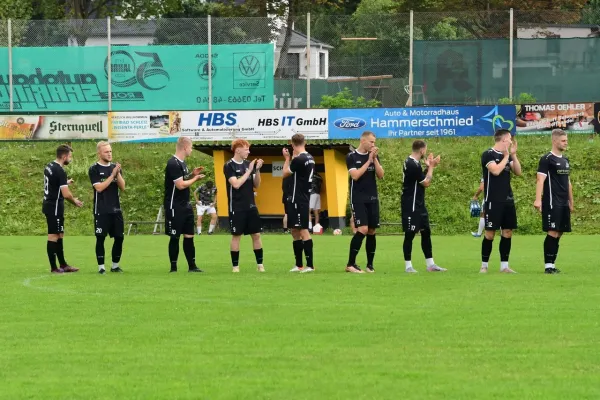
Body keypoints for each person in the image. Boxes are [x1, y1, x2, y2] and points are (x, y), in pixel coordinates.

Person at [480, 129, 522, 274]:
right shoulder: (488, 154)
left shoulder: (507, 156)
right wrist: (506, 156)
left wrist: (513, 155)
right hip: (493, 200)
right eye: (510, 138)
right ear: (503, 140)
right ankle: (484, 265)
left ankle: (504, 266)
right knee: (490, 233)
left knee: (507, 232)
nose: (511, 141)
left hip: (507, 200)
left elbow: (518, 172)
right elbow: (496, 171)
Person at [401, 140, 445, 273]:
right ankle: (408, 266)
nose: (425, 152)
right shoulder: (411, 164)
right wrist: (431, 166)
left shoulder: (415, 163)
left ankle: (430, 264)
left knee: (426, 232)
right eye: (425, 149)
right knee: (410, 234)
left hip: (419, 204)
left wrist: (427, 167)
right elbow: (426, 183)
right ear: (421, 150)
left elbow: (420, 179)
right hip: (411, 204)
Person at [164, 137, 205, 273]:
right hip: (174, 206)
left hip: (185, 205)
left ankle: (192, 266)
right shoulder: (173, 163)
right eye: (191, 147)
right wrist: (195, 178)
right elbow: (180, 185)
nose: (191, 150)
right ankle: (173, 268)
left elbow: (183, 179)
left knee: (189, 236)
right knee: (175, 236)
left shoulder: (183, 163)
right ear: (185, 147)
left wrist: (192, 174)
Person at [345, 131, 384, 273]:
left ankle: (370, 265)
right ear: (363, 141)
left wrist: (374, 159)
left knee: (372, 230)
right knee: (363, 229)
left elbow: (381, 175)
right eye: (371, 142)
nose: (373, 145)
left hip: (372, 198)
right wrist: (368, 161)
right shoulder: (351, 156)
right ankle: (350, 264)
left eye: (374, 142)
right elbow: (355, 176)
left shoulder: (374, 156)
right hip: (358, 198)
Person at [534, 129, 573, 274]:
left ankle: (553, 264)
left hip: (563, 203)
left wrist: (571, 201)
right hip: (552, 202)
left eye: (566, 140)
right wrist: (538, 200)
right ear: (554, 141)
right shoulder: (547, 159)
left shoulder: (565, 160)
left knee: (560, 232)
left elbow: (568, 183)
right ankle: (548, 266)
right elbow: (540, 180)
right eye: (563, 141)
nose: (566, 143)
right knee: (552, 231)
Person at [224, 139, 265, 272]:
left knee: (256, 235)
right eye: (246, 149)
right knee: (237, 236)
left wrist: (257, 170)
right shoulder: (229, 165)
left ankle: (260, 265)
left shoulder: (248, 164)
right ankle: (235, 267)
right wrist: (249, 171)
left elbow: (257, 185)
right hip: (236, 207)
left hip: (251, 206)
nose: (249, 152)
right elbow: (236, 184)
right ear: (237, 150)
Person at [42, 144, 83, 273]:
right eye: (70, 156)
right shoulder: (60, 171)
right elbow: (66, 194)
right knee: (53, 236)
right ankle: (54, 268)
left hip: (50, 204)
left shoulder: (49, 166)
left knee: (59, 234)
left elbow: (53, 183)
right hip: (54, 206)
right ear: (64, 156)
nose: (70, 159)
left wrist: (65, 182)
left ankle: (64, 265)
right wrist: (74, 201)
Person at [89, 141, 126, 274]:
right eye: (106, 152)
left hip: (116, 209)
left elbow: (123, 187)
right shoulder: (94, 169)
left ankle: (115, 266)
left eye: (110, 151)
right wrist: (112, 175)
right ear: (99, 153)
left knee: (119, 237)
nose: (109, 154)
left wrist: (117, 173)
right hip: (101, 209)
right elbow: (99, 188)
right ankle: (101, 267)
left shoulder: (115, 168)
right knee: (101, 238)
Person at [282, 134, 316, 273]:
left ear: (292, 144)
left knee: (303, 230)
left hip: (298, 198)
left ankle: (310, 265)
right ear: (304, 142)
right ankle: (299, 264)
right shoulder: (309, 157)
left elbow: (285, 173)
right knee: (295, 230)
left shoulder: (299, 159)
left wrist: (287, 159)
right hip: (300, 197)